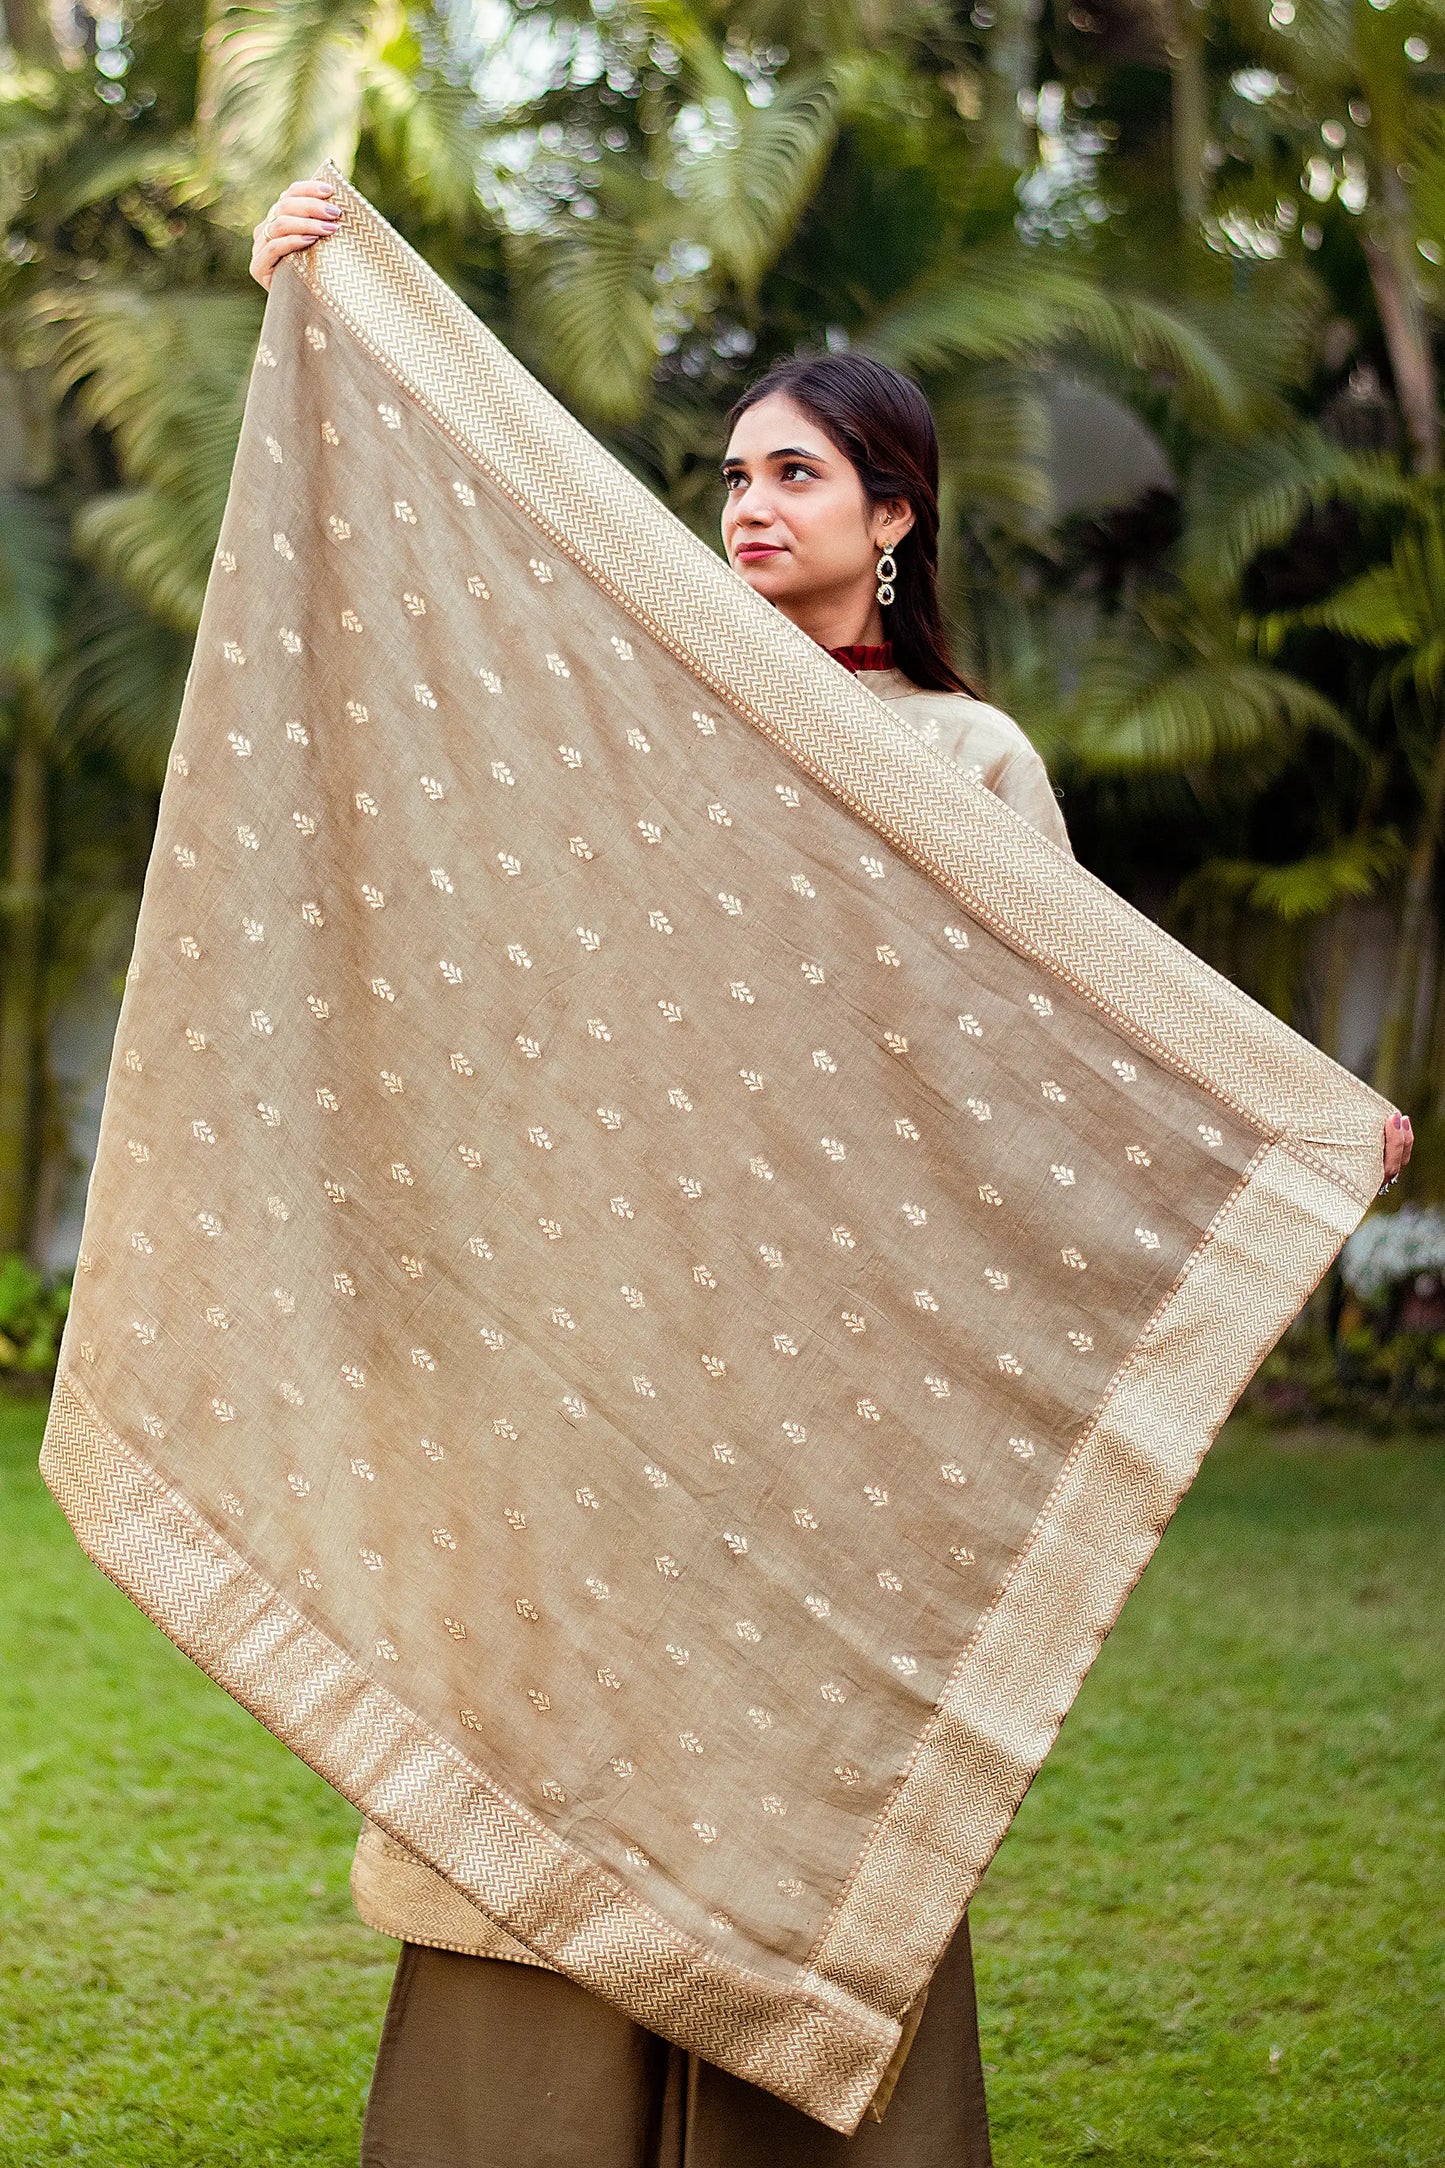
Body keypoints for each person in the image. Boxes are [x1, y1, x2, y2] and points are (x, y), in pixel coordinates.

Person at [249, 178, 1413, 2168]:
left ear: (897, 516)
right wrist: (341, 304)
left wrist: (1284, 1120)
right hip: (617, 1376)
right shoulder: (648, 733)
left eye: (799, 472)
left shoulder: (963, 768)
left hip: (835, 1410)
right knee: (570, 1759)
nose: (750, 503)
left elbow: (1072, 1055)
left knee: (810, 1794)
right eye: (731, 473)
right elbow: (458, 673)